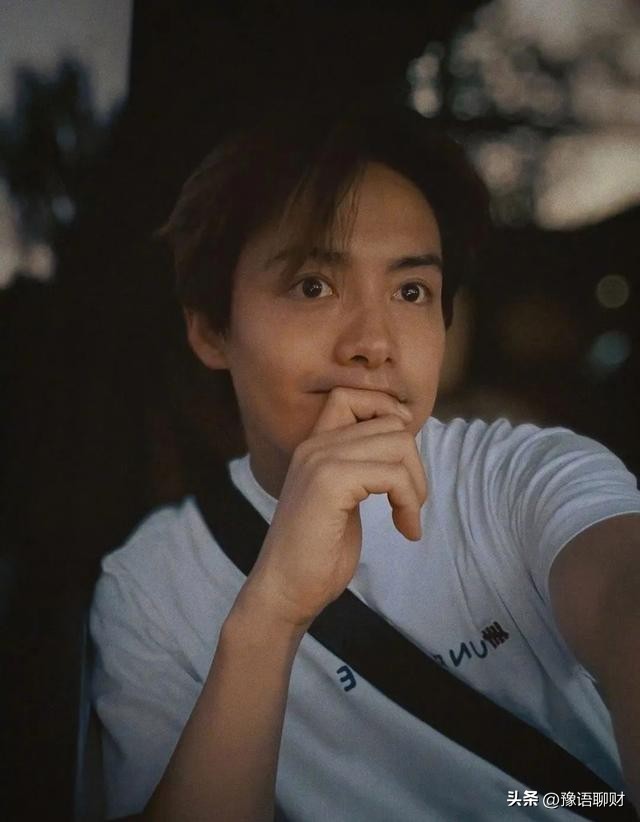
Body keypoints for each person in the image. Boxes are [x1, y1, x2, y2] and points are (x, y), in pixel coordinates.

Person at [90, 103, 640, 821]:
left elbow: (622, 591)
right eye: (313, 286)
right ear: (211, 329)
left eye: (411, 291)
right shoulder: (149, 588)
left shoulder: (518, 476)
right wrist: (272, 613)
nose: (375, 342)